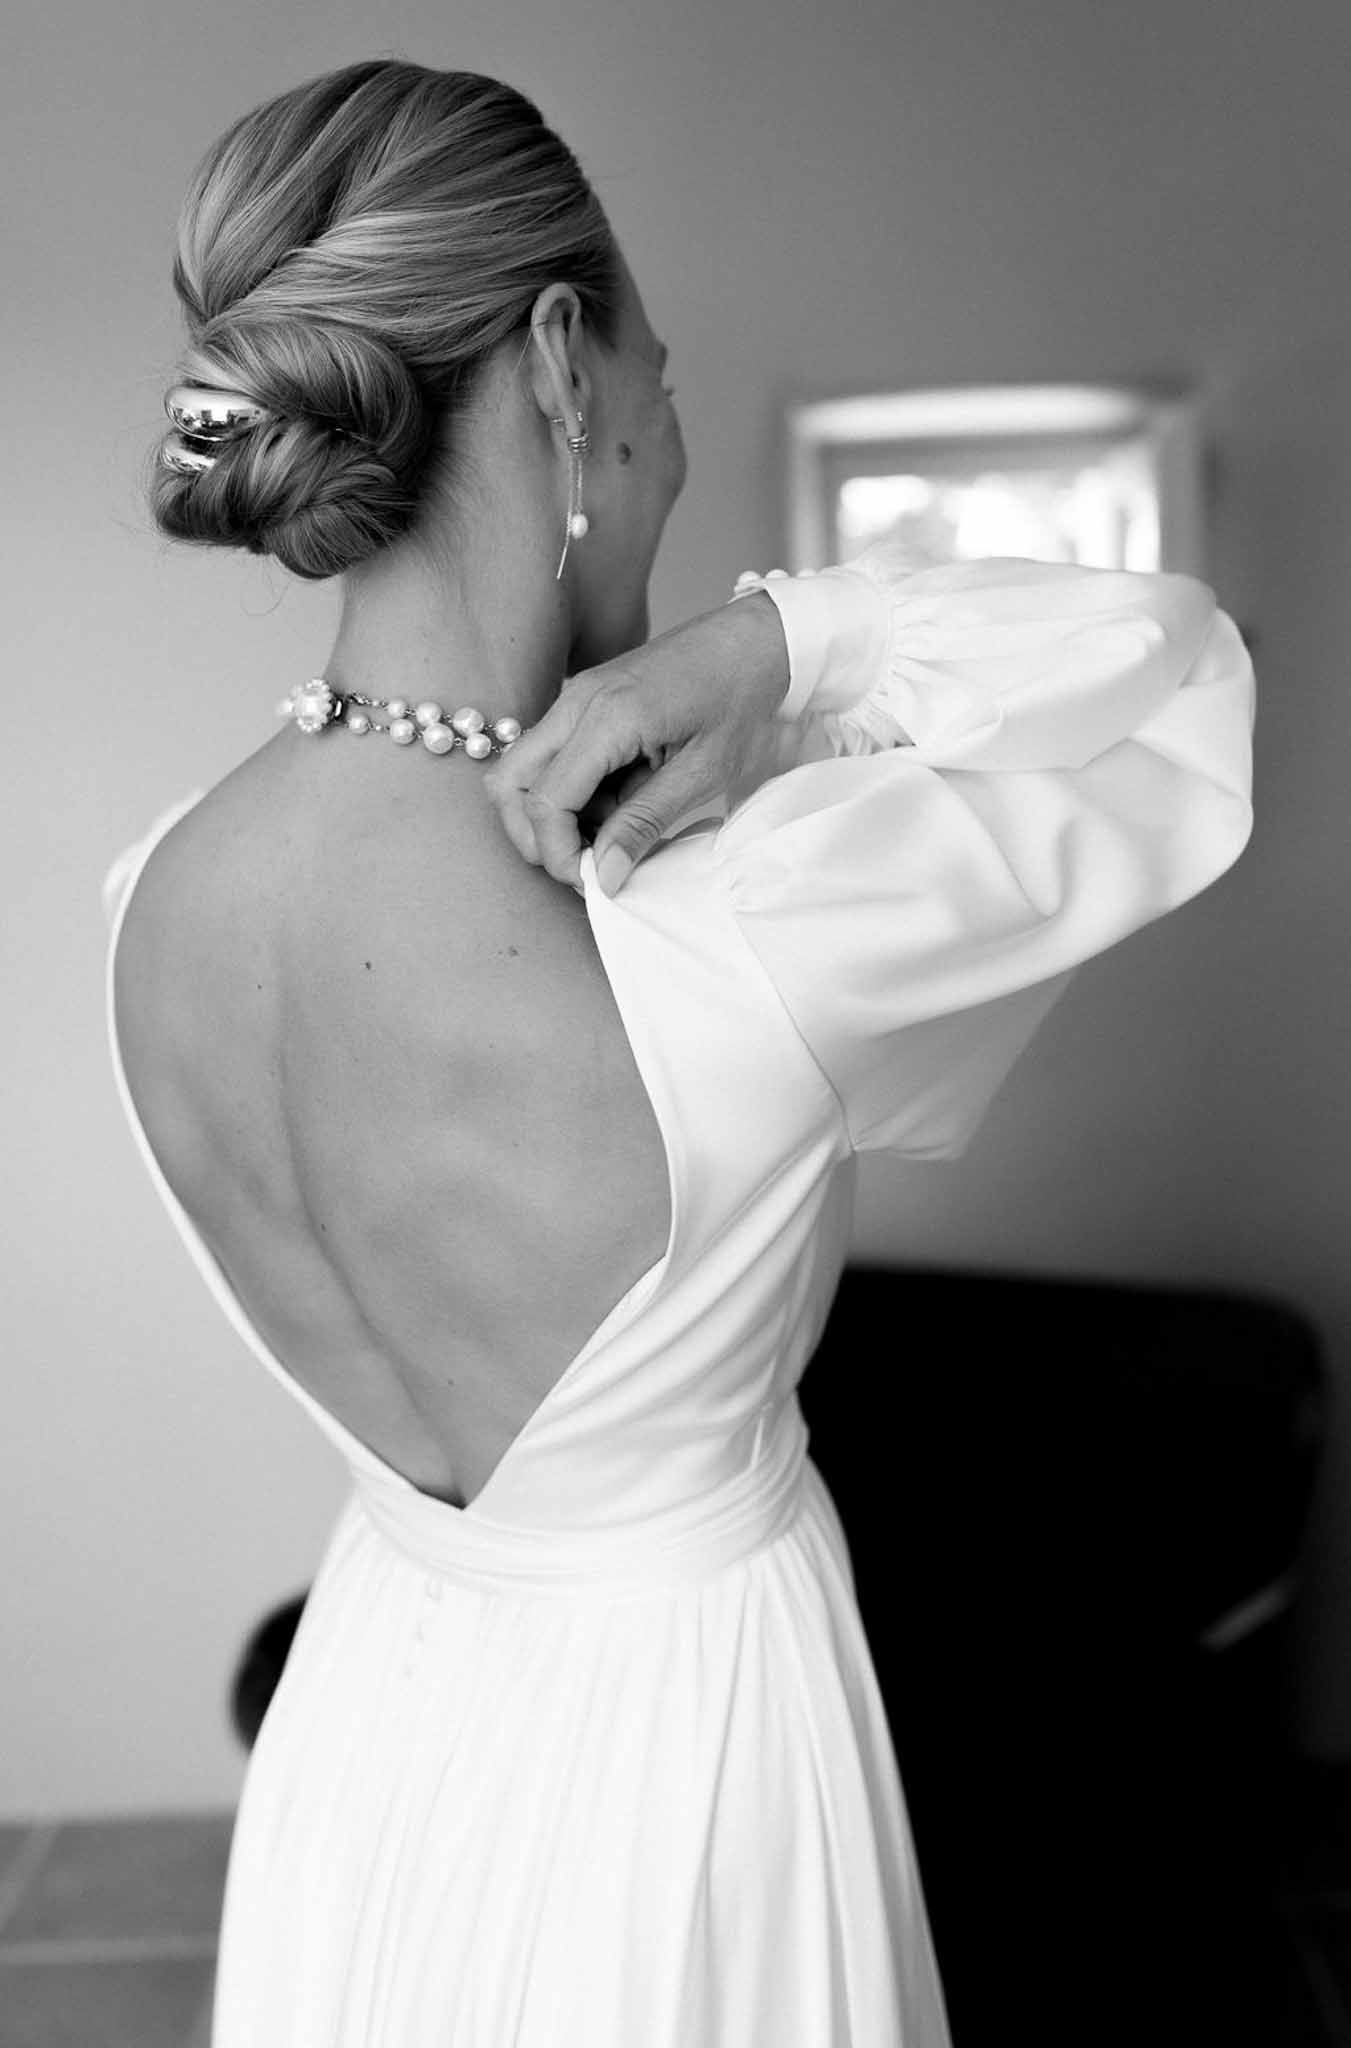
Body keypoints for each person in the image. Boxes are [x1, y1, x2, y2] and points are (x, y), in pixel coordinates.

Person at [102, 57, 1255, 2048]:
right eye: (656, 365)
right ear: (563, 362)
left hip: (370, 1725)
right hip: (689, 1759)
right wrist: (785, 645)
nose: (667, 425)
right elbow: (1177, 694)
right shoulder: (724, 906)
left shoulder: (152, 896)